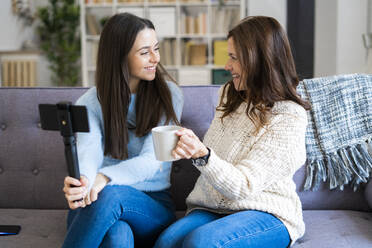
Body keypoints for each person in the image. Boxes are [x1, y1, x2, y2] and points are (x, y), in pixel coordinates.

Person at [154, 16, 311, 248]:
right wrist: (191, 148)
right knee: (166, 242)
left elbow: (243, 186)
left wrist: (202, 155)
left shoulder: (289, 116)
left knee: (201, 243)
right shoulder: (230, 95)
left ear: (259, 61)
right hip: (213, 208)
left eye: (234, 58)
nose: (227, 66)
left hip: (267, 212)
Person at [62, 13, 183, 248]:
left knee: (110, 195)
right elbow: (89, 153)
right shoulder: (89, 102)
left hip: (152, 204)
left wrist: (104, 178)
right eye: (145, 52)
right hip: (99, 202)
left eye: (156, 49)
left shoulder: (170, 95)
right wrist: (84, 183)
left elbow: (153, 161)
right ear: (120, 56)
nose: (156, 58)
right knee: (117, 236)